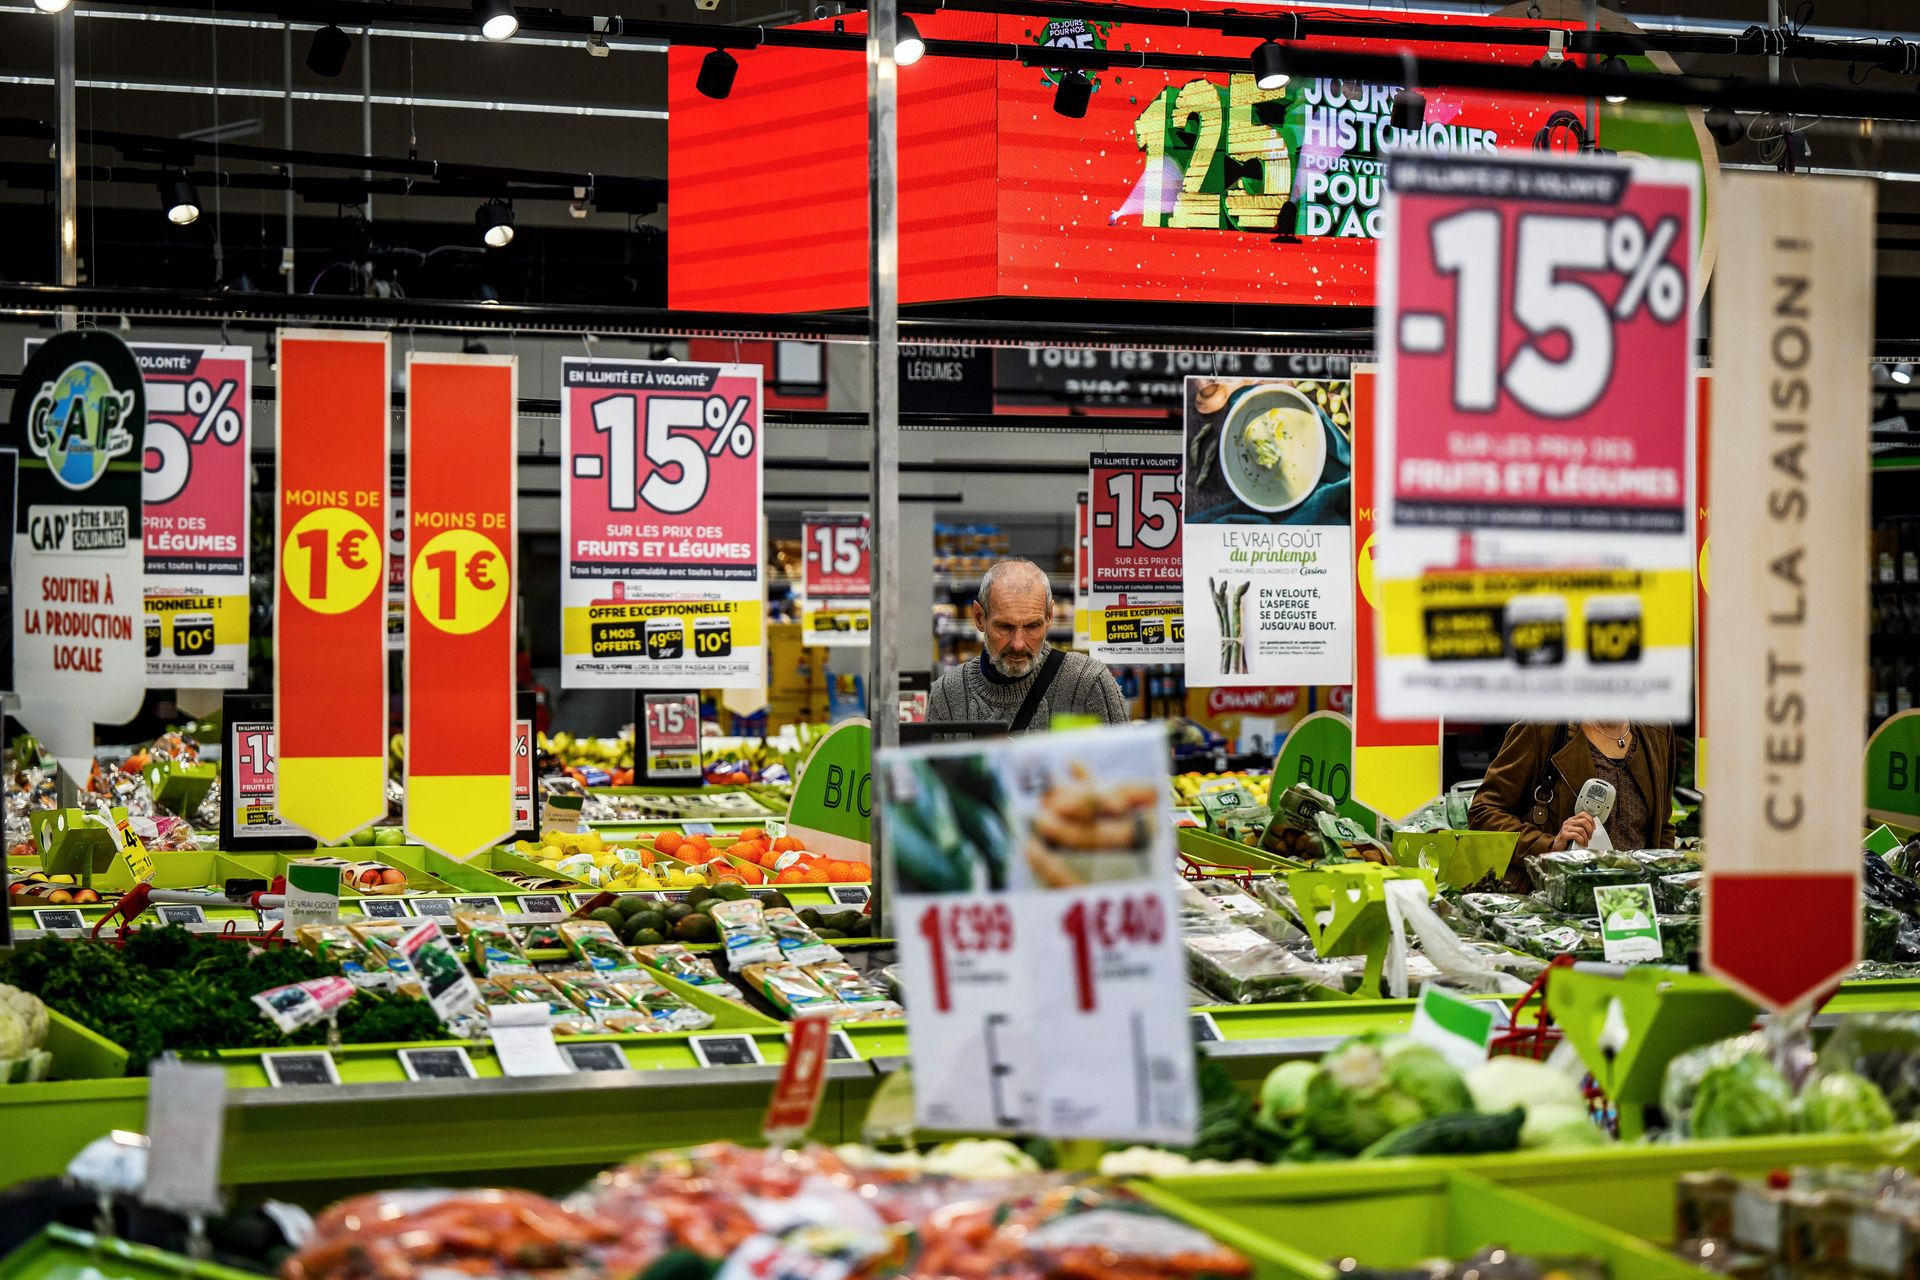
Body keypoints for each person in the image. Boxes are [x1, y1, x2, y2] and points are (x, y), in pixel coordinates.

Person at [927, 558, 1128, 731]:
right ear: (979, 617)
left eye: (1033, 626)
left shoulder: (1090, 684)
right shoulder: (946, 694)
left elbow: (1128, 772)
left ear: (1049, 616)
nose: (1018, 644)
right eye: (1005, 627)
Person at [1469, 720, 1679, 873]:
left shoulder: (1657, 730)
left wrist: (1665, 880)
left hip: (1632, 906)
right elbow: (1484, 812)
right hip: (1557, 907)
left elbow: (1663, 827)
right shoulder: (1542, 726)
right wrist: (1549, 845)